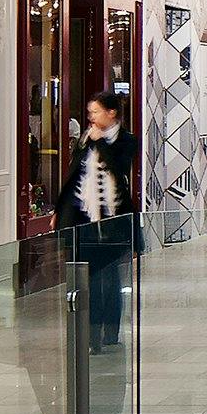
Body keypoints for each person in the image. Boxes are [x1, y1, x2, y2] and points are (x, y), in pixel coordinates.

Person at [64, 91, 137, 352]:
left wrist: (100, 144)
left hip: (114, 219)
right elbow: (75, 173)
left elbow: (118, 171)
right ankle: (92, 337)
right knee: (91, 278)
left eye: (95, 111)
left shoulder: (127, 140)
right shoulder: (85, 139)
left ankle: (110, 332)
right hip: (86, 218)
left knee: (111, 277)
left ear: (112, 113)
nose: (91, 117)